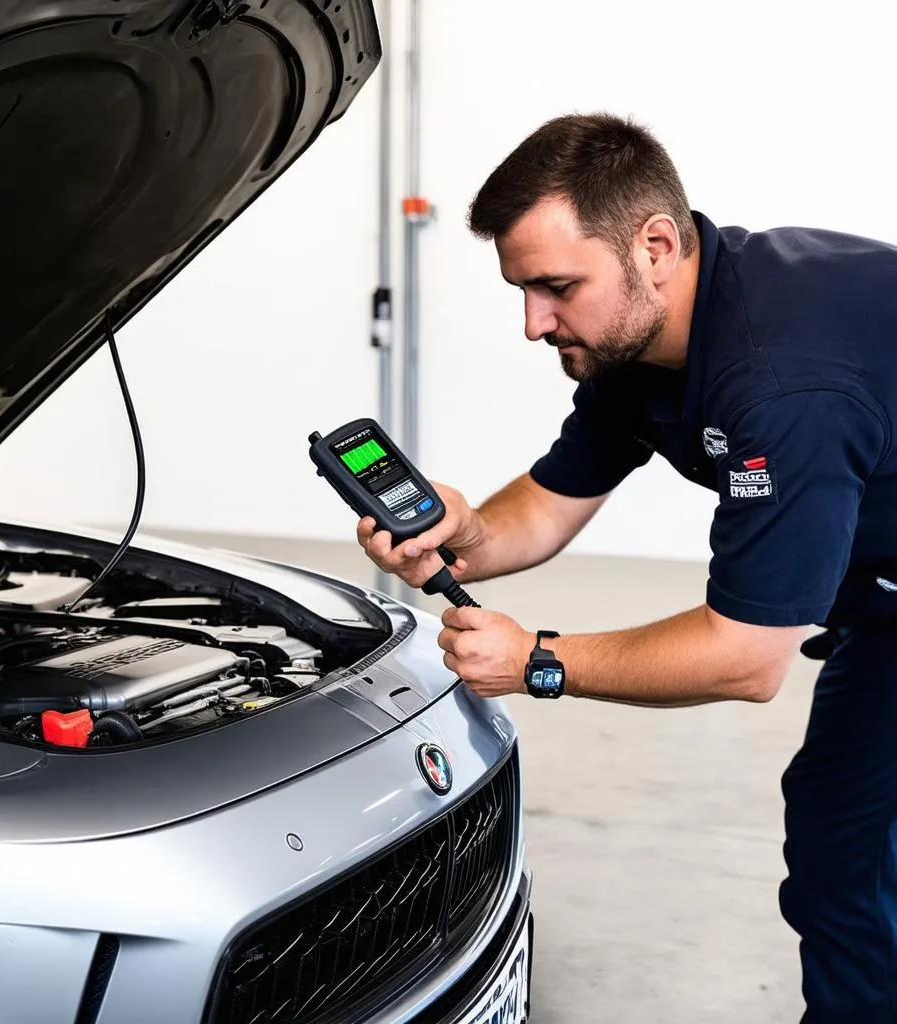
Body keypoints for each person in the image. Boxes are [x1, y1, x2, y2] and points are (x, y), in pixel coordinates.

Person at [356, 112, 897, 1023]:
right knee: (843, 844)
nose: (534, 323)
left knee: (857, 851)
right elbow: (554, 501)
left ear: (654, 245)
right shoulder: (636, 344)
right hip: (881, 599)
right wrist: (464, 530)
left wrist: (540, 660)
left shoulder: (781, 383)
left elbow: (746, 657)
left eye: (556, 288)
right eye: (521, 290)